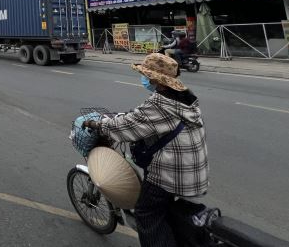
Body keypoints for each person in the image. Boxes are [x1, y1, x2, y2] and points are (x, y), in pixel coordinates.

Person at [83, 53, 208, 247]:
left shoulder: (160, 103)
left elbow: (124, 127)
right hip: (192, 169)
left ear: (155, 78)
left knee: (146, 212)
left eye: (146, 75)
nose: (144, 78)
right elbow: (146, 119)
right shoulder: (185, 97)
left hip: (172, 173)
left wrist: (97, 124)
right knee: (162, 210)